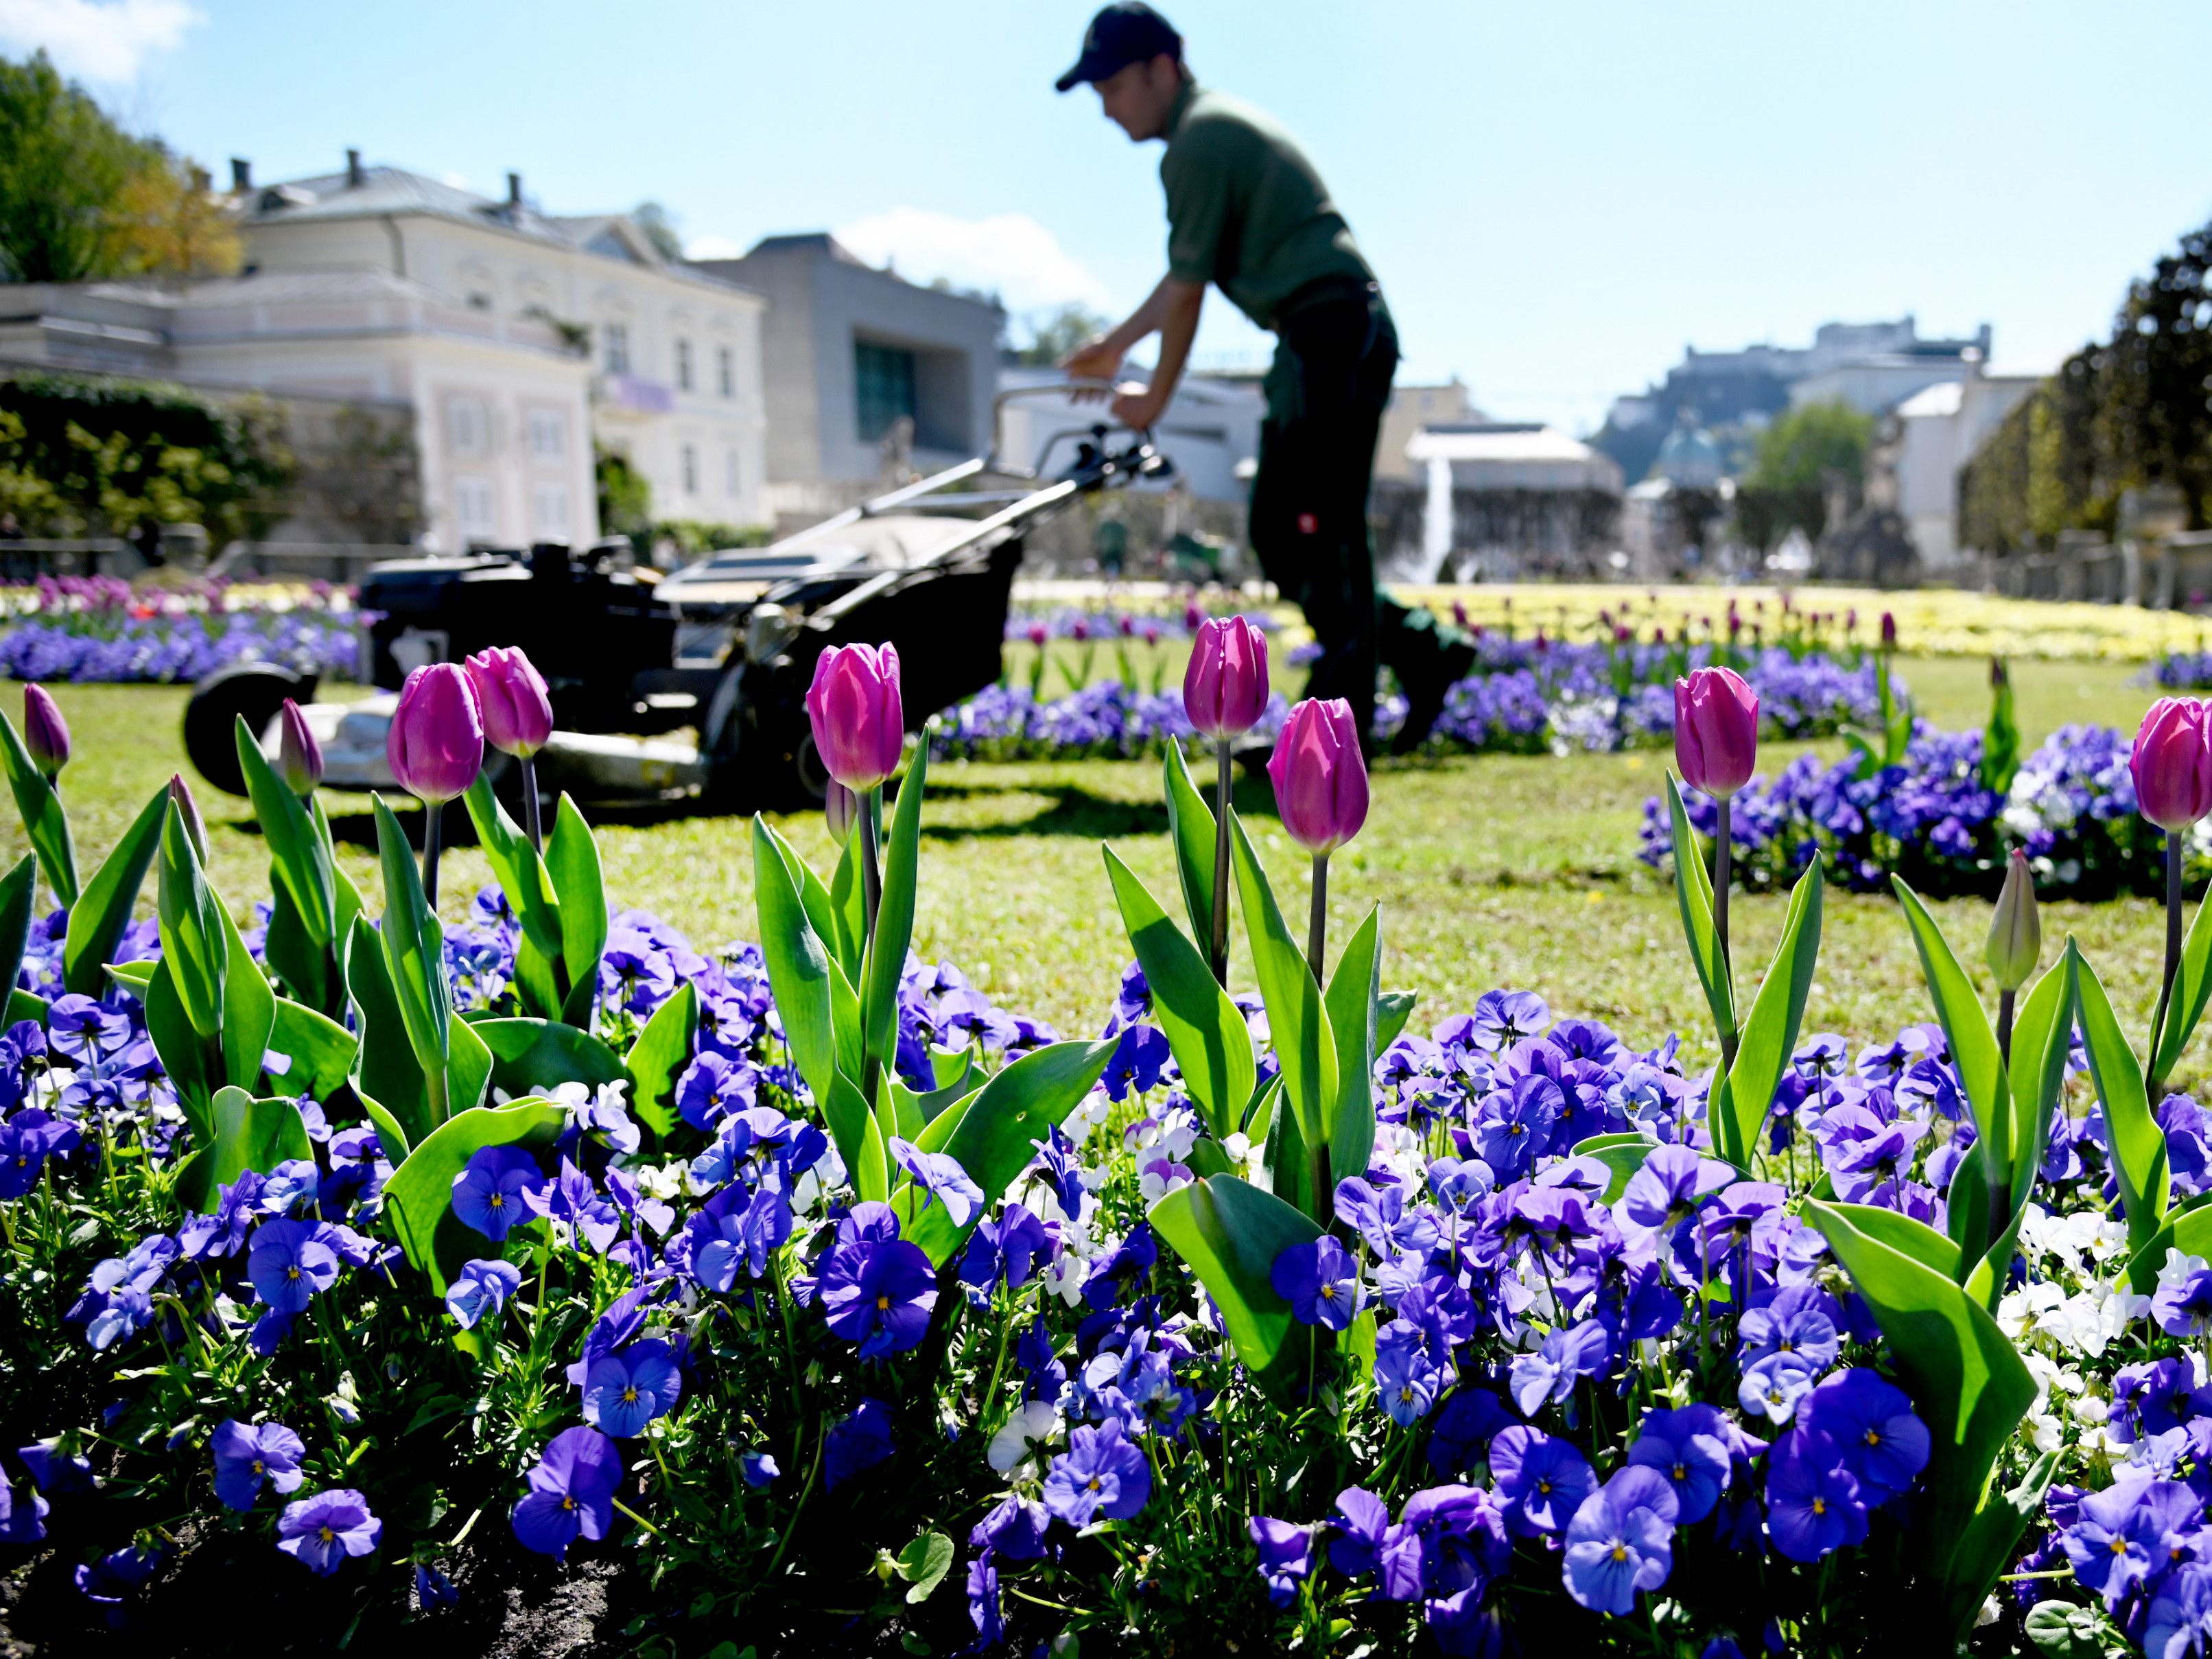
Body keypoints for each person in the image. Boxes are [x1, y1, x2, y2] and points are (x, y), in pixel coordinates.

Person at [1055, 2, 1472, 751]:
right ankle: (1421, 653)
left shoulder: (1199, 140)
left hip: (1331, 327)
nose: (1106, 110)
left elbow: (1186, 291)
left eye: (1112, 87)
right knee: (1284, 525)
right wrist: (1117, 350)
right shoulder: (1204, 133)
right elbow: (1188, 277)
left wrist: (1149, 393)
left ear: (1162, 67)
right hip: (1312, 333)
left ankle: (1336, 726)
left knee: (1322, 528)